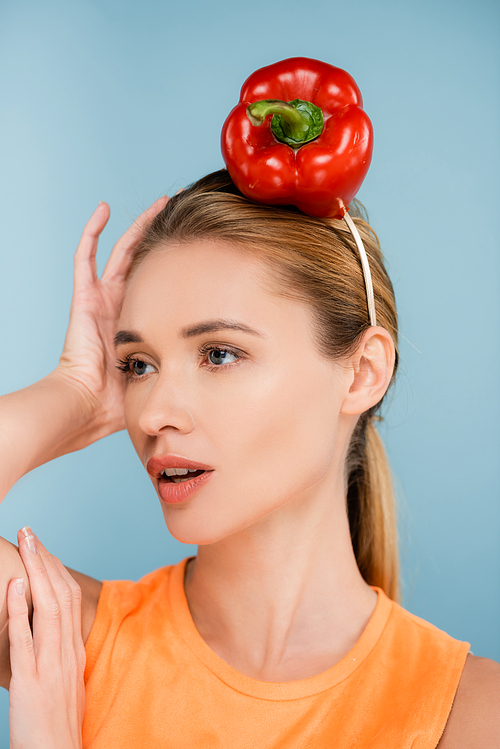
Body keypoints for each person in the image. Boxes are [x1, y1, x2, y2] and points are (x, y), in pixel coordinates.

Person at [1, 170, 499, 748]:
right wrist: (75, 391)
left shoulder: (472, 714)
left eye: (218, 354)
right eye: (139, 364)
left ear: (362, 373)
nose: (152, 413)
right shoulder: (62, 633)